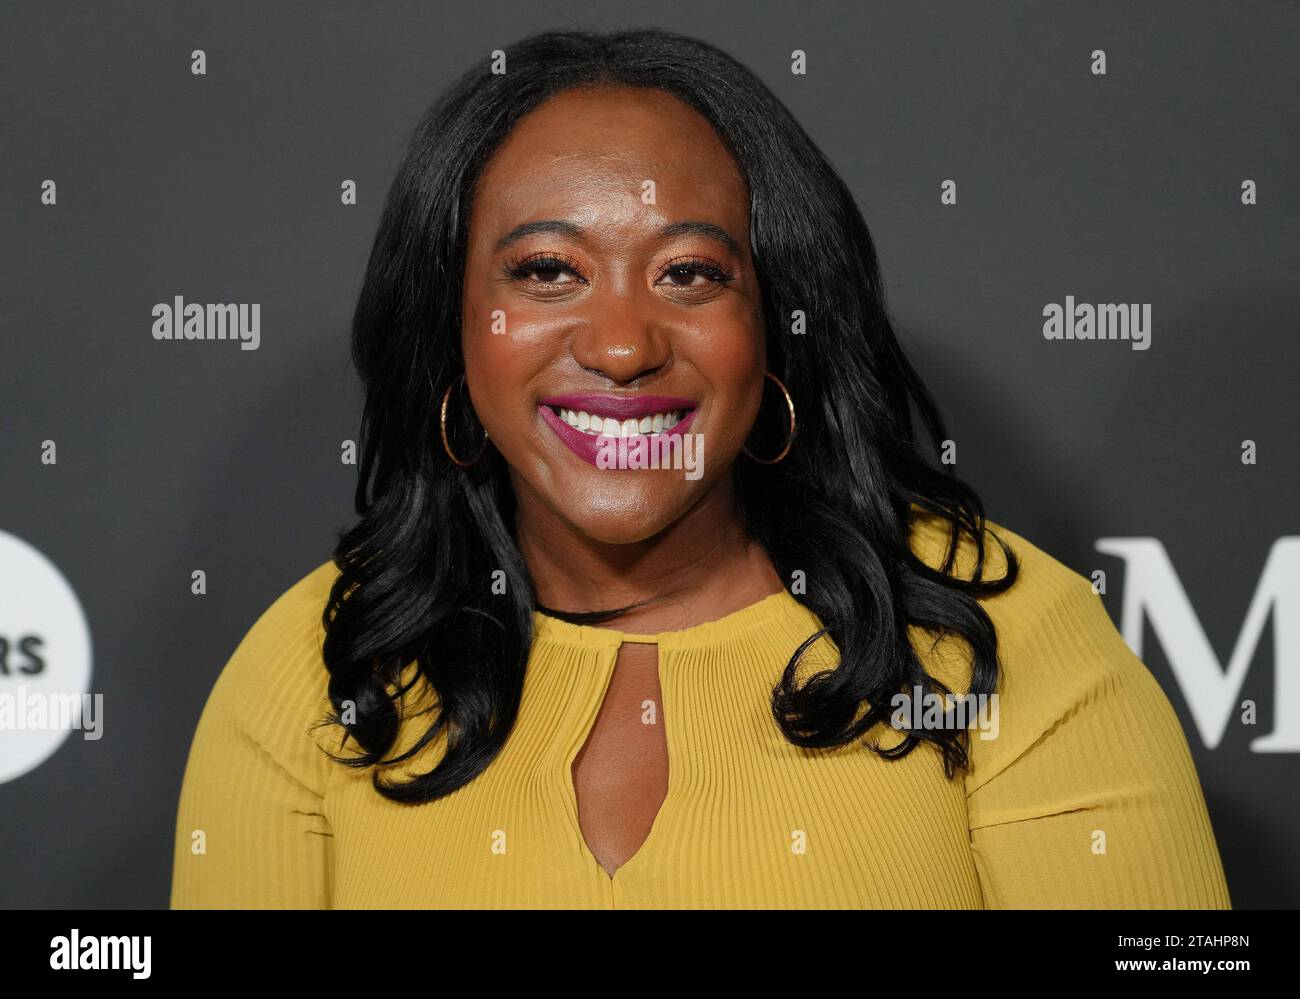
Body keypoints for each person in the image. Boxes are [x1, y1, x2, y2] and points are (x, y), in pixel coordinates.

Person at [170, 28, 1230, 909]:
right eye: (546, 272)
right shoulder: (319, 669)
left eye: (690, 273)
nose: (623, 346)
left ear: (773, 326)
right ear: (453, 336)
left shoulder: (997, 634)